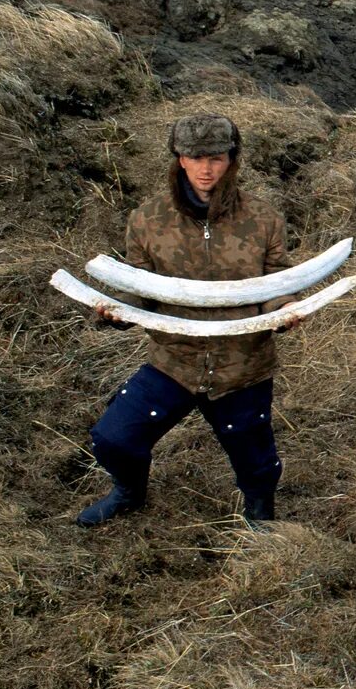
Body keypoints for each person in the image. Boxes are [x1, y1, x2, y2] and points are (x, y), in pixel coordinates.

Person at [78, 113, 297, 526]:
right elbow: (137, 286)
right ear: (179, 159)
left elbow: (276, 282)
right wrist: (115, 311)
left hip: (242, 365)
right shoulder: (147, 219)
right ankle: (128, 492)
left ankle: (260, 516)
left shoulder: (263, 219)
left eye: (216, 157)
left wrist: (282, 310)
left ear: (232, 159)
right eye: (194, 158)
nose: (206, 168)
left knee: (258, 463)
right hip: (173, 360)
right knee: (113, 439)